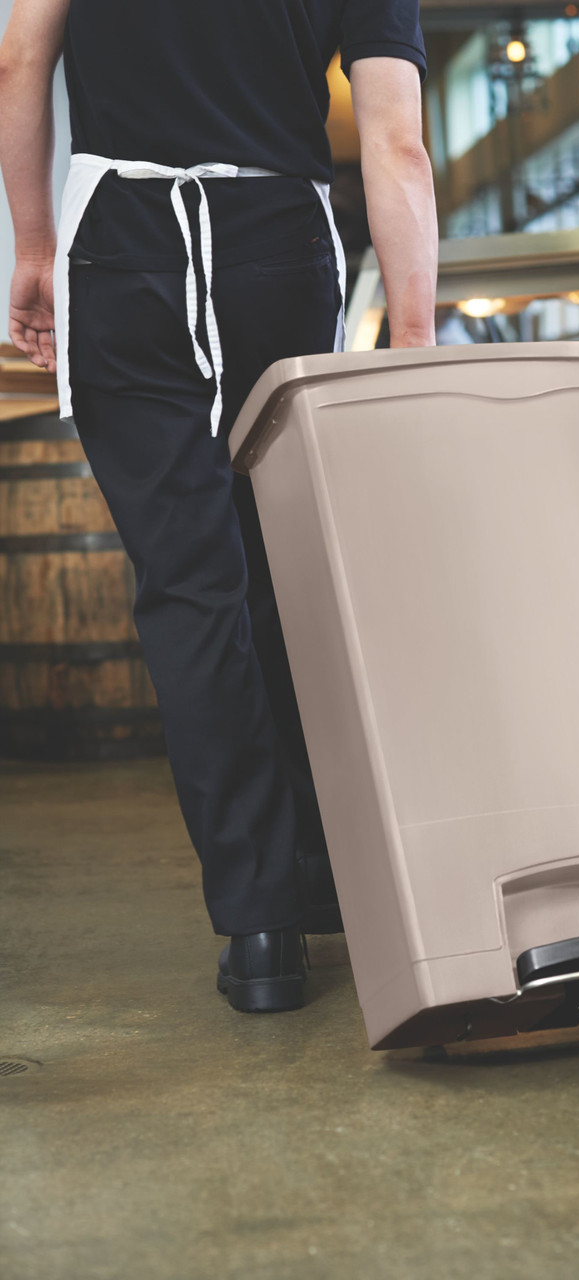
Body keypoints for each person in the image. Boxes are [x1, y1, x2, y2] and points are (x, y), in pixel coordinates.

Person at [0, 0, 438, 1014]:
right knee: (290, 568)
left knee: (191, 584)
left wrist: (31, 244)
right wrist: (414, 339)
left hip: (118, 244)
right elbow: (396, 141)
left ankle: (261, 927)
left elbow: (21, 54)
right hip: (276, 246)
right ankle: (332, 871)